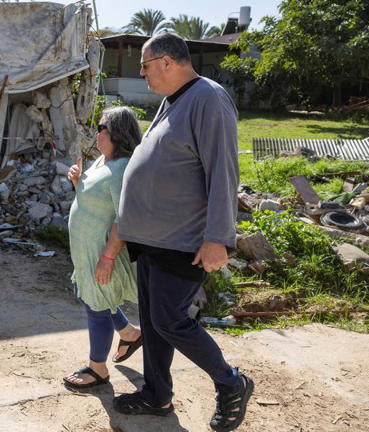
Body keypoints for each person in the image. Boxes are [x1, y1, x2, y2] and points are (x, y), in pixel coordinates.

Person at [114, 33, 254, 432]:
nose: (141, 73)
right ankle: (156, 394)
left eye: (144, 65)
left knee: (171, 320)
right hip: (154, 239)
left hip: (184, 238)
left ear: (167, 62)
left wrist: (219, 237)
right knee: (155, 321)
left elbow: (223, 170)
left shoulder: (208, 98)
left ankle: (231, 383)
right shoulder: (171, 101)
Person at [62, 107, 143, 390]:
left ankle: (98, 369)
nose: (97, 133)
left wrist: (108, 258)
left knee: (97, 305)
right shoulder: (103, 160)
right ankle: (129, 333)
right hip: (86, 250)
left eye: (102, 128)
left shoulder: (122, 168)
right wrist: (77, 180)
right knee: (89, 295)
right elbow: (94, 199)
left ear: (118, 134)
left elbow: (124, 218)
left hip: (101, 252)